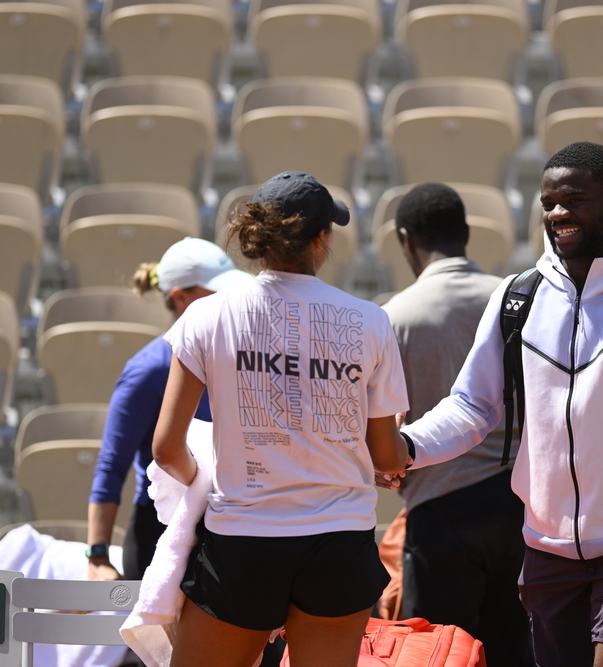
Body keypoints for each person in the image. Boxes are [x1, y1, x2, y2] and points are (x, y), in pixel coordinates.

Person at [395, 143, 603, 667]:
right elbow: (472, 406)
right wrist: (406, 446)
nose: (558, 213)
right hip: (545, 552)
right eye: (548, 203)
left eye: (574, 200)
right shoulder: (517, 297)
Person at [152, 171, 413, 667]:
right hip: (340, 541)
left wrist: (202, 484)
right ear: (321, 239)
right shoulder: (371, 320)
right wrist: (401, 445)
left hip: (243, 541)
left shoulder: (205, 316)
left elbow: (165, 449)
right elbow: (385, 456)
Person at [380, 183, 534, 667]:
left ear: (407, 240)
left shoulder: (394, 317)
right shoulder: (516, 302)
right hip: (521, 510)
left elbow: (383, 426)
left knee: (436, 657)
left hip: (440, 511)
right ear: (465, 233)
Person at [87, 238, 254, 582]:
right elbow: (112, 464)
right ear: (181, 298)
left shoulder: (243, 357)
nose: (229, 300)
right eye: (217, 291)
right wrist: (98, 556)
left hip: (227, 529)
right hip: (158, 534)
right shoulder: (147, 370)